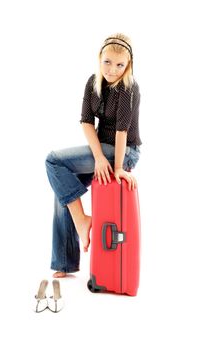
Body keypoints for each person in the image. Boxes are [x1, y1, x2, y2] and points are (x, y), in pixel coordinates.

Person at [45, 33, 142, 278]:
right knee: (63, 191)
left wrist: (118, 167)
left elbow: (122, 131)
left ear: (128, 65)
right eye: (107, 62)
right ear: (100, 59)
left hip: (124, 152)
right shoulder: (93, 82)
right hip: (102, 151)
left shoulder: (128, 88)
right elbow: (87, 122)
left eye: (120, 65)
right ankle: (65, 263)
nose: (113, 70)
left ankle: (82, 222)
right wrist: (98, 157)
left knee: (54, 160)